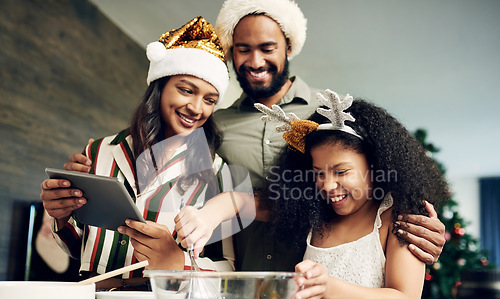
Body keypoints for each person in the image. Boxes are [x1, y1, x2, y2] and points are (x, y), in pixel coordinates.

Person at [65, 0, 446, 271]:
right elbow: (163, 168)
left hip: (313, 280)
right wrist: (86, 178)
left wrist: (418, 233)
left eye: (268, 48)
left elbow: (375, 185)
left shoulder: (329, 119)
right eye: (243, 49)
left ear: (288, 48)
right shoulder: (213, 125)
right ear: (231, 54)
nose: (255, 61)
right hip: (237, 280)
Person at [177, 89, 449, 299]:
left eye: (341, 172)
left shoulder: (398, 218)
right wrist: (205, 217)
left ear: (375, 167)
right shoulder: (314, 208)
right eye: (319, 173)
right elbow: (238, 202)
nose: (328, 186)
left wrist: (327, 286)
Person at [40, 17, 235, 289]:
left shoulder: (215, 171)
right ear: (160, 86)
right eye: (186, 90)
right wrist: (59, 214)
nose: (196, 107)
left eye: (209, 99)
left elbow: (227, 267)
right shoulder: (98, 151)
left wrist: (178, 263)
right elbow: (79, 248)